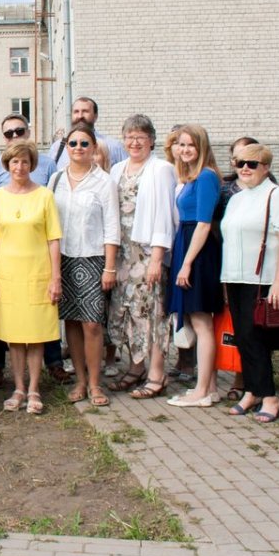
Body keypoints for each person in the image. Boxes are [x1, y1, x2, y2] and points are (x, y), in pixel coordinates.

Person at [0, 113, 67, 387]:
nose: (19, 166)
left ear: (32, 164)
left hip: (38, 273)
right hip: (8, 276)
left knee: (38, 332)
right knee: (14, 333)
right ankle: (18, 389)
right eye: (15, 161)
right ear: (7, 165)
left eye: (25, 161)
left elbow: (54, 238)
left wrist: (56, 277)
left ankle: (34, 390)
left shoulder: (45, 195)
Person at [219, 143, 279, 424]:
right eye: (240, 163)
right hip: (235, 276)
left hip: (261, 278)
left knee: (256, 338)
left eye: (252, 164)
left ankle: (270, 396)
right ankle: (251, 390)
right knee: (242, 337)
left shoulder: (275, 196)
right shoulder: (238, 198)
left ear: (265, 167)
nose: (244, 168)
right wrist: (226, 282)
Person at [48, 122, 119, 407]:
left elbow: (112, 227)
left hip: (93, 259)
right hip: (62, 259)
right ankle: (79, 380)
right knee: (72, 323)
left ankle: (95, 383)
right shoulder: (55, 180)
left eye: (84, 144)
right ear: (67, 148)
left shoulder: (104, 181)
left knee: (92, 324)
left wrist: (110, 267)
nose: (78, 148)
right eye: (73, 143)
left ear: (94, 148)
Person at [108, 115, 177, 396]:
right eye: (130, 136)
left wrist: (158, 259)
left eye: (141, 137)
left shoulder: (161, 169)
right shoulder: (116, 169)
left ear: (151, 140)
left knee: (153, 312)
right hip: (124, 254)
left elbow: (164, 214)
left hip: (148, 253)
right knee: (128, 312)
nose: (134, 142)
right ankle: (136, 367)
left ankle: (157, 374)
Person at [164, 125, 224, 407]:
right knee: (197, 320)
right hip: (186, 244)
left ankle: (203, 390)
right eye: (181, 144)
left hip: (197, 251)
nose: (185, 150)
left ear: (202, 147)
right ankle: (208, 387)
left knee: (202, 322)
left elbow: (203, 223)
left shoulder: (206, 177)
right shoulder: (191, 177)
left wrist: (186, 263)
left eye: (191, 145)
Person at [204, 136, 263, 399]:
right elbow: (212, 222)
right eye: (239, 159)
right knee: (222, 320)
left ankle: (244, 378)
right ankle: (214, 375)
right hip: (223, 258)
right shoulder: (225, 188)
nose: (244, 165)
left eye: (250, 159)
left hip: (255, 266)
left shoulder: (268, 190)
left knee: (249, 324)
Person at [48, 97, 128, 169]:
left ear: (95, 116)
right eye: (76, 112)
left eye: (85, 111)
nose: (80, 116)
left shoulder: (113, 146)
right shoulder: (57, 148)